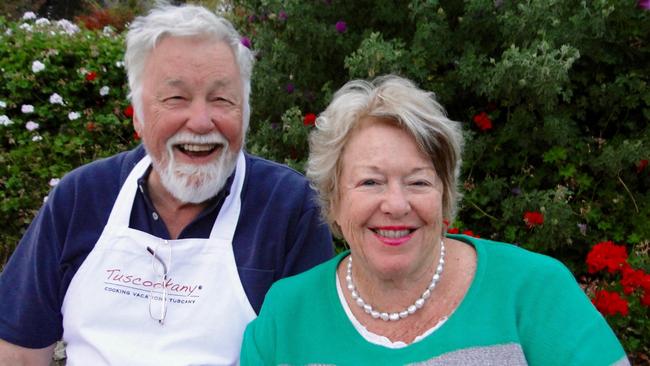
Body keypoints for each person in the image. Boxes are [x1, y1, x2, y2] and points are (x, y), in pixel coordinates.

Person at [0, 4, 333, 365]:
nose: (202, 121)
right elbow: (17, 351)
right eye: (176, 98)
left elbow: (309, 355)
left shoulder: (287, 207)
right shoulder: (81, 197)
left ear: (245, 113)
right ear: (138, 115)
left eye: (222, 99)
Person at [240, 75, 629, 365]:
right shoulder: (285, 314)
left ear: (445, 198)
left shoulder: (533, 291)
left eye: (418, 181)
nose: (395, 204)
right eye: (371, 181)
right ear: (335, 201)